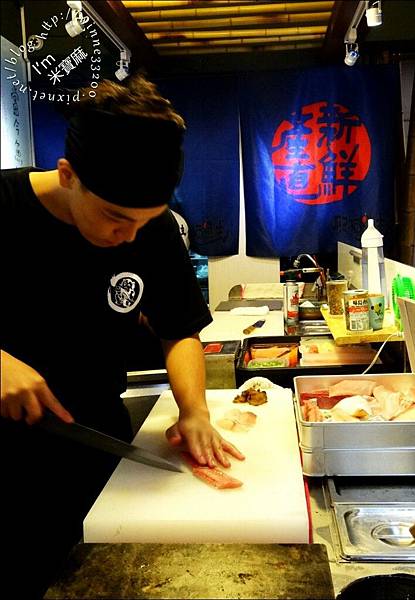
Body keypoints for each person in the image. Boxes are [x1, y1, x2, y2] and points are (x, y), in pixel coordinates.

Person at [0, 74, 244, 599]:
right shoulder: (1, 206)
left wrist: (194, 410)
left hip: (96, 445)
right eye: (115, 217)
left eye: (145, 221)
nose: (128, 236)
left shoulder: (148, 230)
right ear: (68, 175)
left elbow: (179, 330)